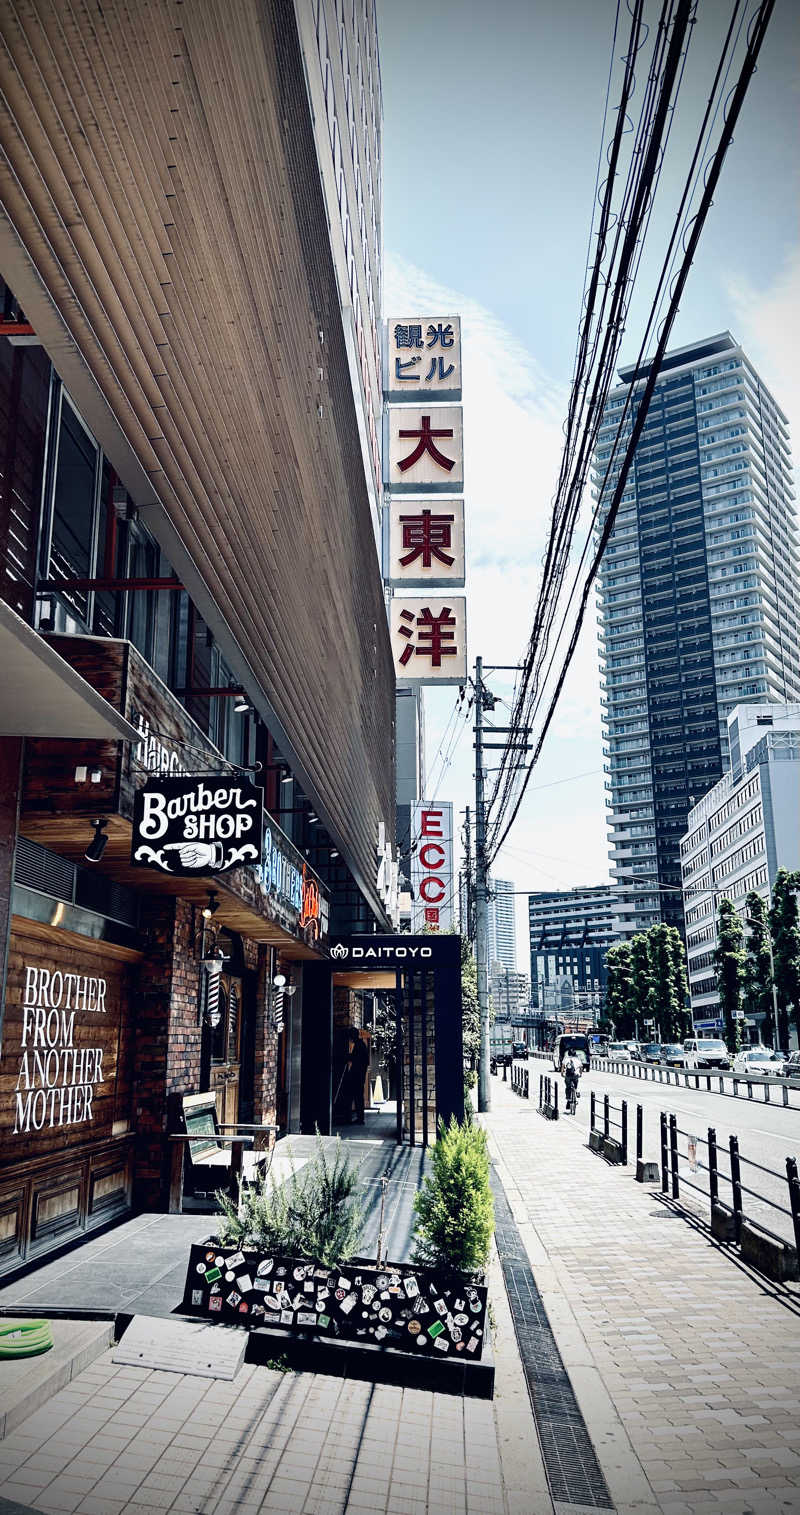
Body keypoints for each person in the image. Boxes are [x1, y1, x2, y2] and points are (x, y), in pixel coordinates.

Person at [345, 1028, 369, 1124]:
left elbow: (356, 1059)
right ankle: (359, 1118)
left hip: (357, 1076)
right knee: (358, 1097)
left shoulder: (359, 1045)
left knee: (357, 1097)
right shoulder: (361, 1044)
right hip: (359, 1075)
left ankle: (359, 1118)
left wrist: (348, 1056)